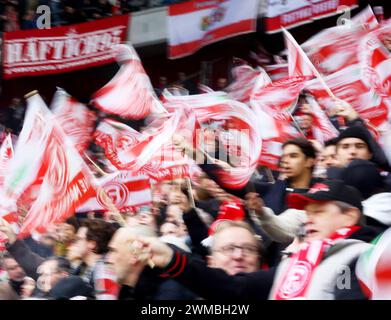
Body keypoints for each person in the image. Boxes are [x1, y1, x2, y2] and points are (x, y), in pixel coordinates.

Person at [126, 180, 377, 300]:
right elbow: (235, 288)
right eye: (307, 214)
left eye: (319, 212)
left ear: (350, 216)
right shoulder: (298, 263)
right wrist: (171, 259)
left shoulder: (362, 258)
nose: (307, 221)